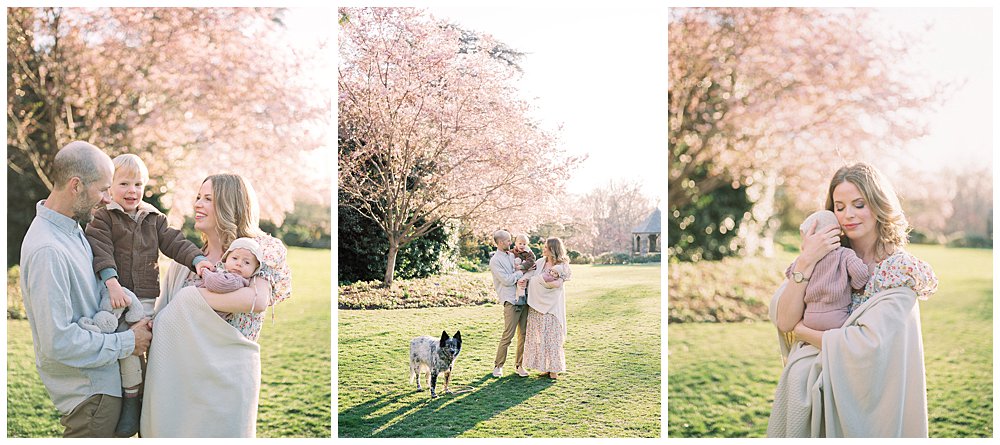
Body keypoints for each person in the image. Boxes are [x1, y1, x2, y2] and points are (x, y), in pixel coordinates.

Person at [768, 162, 938, 437]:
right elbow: (784, 317)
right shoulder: (823, 258)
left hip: (873, 401)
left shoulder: (899, 271)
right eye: (840, 206)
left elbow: (866, 345)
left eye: (859, 204)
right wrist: (807, 260)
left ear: (878, 204)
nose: (849, 215)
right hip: (819, 395)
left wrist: (801, 330)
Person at [140, 174, 292, 437]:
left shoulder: (259, 250)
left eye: (208, 198)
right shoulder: (186, 262)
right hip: (181, 382)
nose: (198, 204)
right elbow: (163, 317)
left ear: (230, 204)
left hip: (229, 382)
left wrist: (191, 299)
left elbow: (256, 300)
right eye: (198, 197)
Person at [19, 141, 153, 438]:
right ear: (76, 186)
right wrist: (128, 342)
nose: (108, 199)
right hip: (89, 396)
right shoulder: (47, 249)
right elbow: (58, 342)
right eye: (103, 189)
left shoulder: (73, 229)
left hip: (102, 386)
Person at [83, 153, 214, 437]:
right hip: (113, 296)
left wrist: (197, 260)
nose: (132, 191)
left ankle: (149, 399)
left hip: (142, 296)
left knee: (147, 342)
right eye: (124, 183)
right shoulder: (103, 217)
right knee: (127, 346)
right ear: (110, 186)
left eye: (138, 184)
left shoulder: (153, 218)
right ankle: (131, 402)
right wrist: (112, 282)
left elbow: (175, 242)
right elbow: (100, 249)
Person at [784, 209, 869, 331]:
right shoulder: (845, 254)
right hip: (836, 318)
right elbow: (861, 275)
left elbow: (789, 273)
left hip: (809, 318)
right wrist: (854, 285)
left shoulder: (806, 258)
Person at [521, 237, 571, 380]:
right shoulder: (540, 262)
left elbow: (558, 284)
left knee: (553, 338)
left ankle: (554, 368)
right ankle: (545, 367)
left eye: (546, 247)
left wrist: (544, 281)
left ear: (552, 249)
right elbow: (532, 276)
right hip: (537, 305)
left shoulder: (563, 266)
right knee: (540, 338)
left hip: (552, 306)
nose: (543, 249)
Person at [490, 230, 530, 378]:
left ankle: (520, 365)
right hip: (511, 302)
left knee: (524, 335)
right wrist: (521, 274)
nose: (510, 243)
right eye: (507, 241)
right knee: (508, 335)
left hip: (524, 299)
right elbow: (506, 280)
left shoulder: (513, 254)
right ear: (500, 243)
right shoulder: (495, 260)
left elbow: (527, 260)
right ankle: (498, 366)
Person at [193, 237, 265, 319]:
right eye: (235, 258)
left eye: (247, 262)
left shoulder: (237, 280)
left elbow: (218, 283)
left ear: (254, 270)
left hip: (207, 317)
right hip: (200, 311)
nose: (239, 264)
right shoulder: (226, 272)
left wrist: (205, 272)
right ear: (226, 258)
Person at [511, 233, 536, 310]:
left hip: (529, 271)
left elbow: (531, 261)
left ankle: (522, 299)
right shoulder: (513, 251)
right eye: (520, 243)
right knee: (518, 282)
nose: (522, 246)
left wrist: (522, 266)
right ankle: (519, 298)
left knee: (521, 281)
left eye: (524, 244)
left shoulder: (528, 252)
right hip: (522, 271)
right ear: (516, 244)